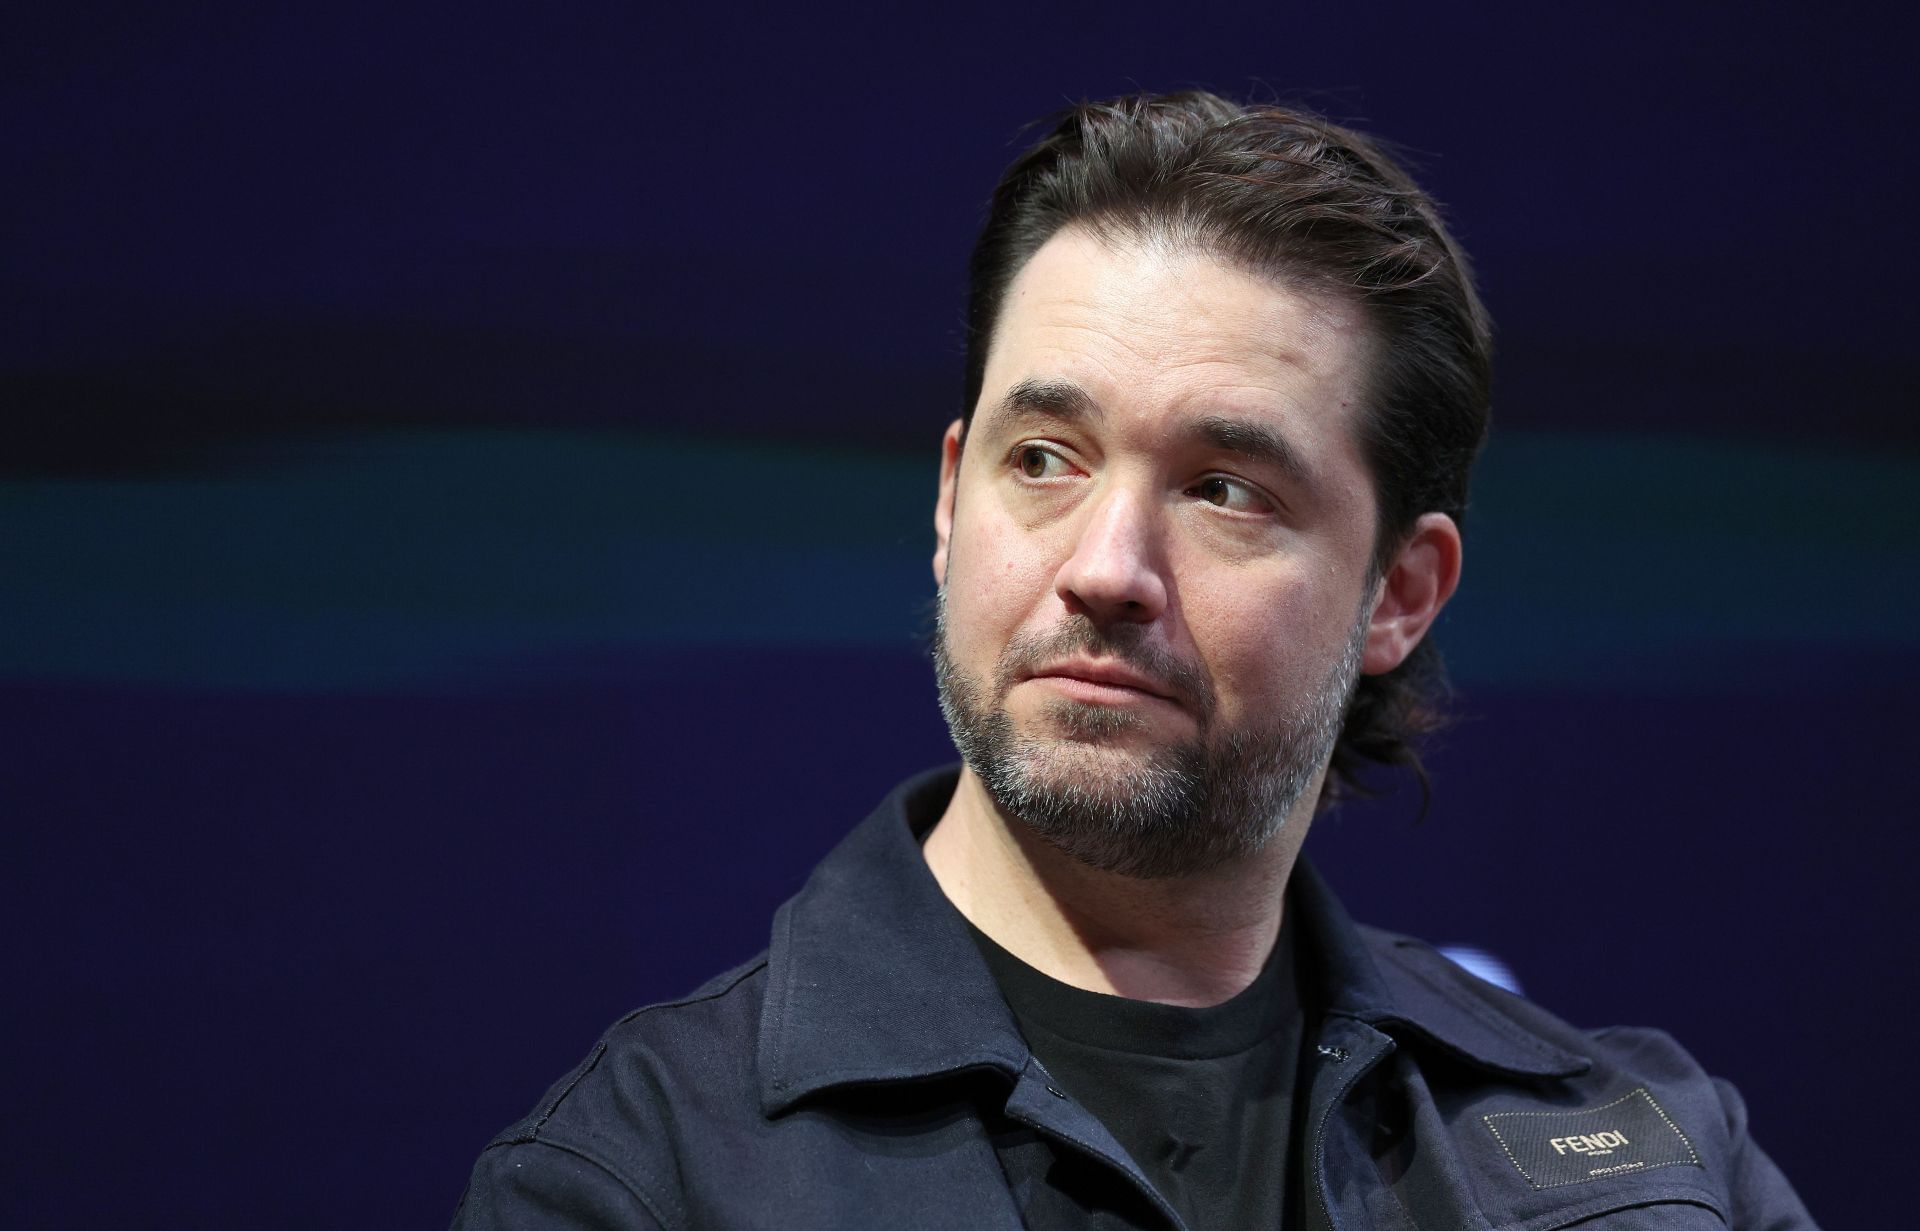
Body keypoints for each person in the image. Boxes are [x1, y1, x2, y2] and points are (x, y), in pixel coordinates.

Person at [452, 91, 1814, 1230]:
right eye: (1043, 459)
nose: (1107, 565)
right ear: (948, 503)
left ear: (1399, 593)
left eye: (1225, 488)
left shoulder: (1658, 1162)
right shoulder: (643, 1183)